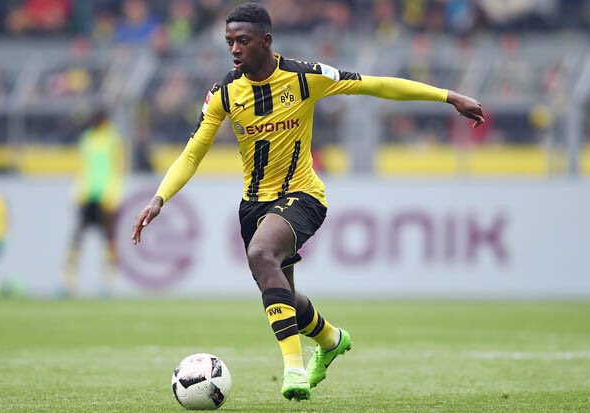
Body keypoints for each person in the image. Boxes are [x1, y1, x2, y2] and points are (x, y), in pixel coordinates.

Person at [131, 2, 484, 402]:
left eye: (243, 41)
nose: (234, 50)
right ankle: (331, 339)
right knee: (283, 295)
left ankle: (293, 369)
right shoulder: (224, 93)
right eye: (229, 42)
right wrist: (160, 197)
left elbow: (376, 85)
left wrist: (448, 96)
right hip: (253, 206)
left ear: (266, 40)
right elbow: (193, 152)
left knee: (261, 254)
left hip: (302, 196)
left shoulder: (304, 77)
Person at [63, 110, 125, 296]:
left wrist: (115, 194)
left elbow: (118, 167)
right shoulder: (87, 138)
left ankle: (108, 281)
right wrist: (77, 191)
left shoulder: (113, 138)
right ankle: (69, 279)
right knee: (78, 237)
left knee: (107, 238)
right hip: (88, 194)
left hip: (105, 196)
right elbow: (83, 167)